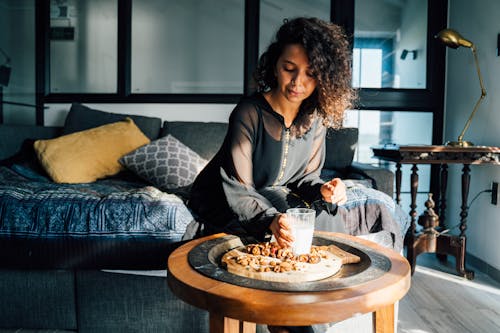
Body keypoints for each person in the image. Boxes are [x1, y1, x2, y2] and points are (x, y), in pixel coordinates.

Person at [188, 16, 355, 333]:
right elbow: (238, 189)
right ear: (274, 64)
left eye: (311, 74)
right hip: (223, 196)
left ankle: (305, 314)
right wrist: (270, 219)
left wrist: (325, 191)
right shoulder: (249, 112)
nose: (298, 83)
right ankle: (291, 322)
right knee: (276, 227)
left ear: (324, 79)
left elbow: (305, 179)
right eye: (289, 68)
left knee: (323, 220)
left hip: (269, 195)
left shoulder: (315, 118)